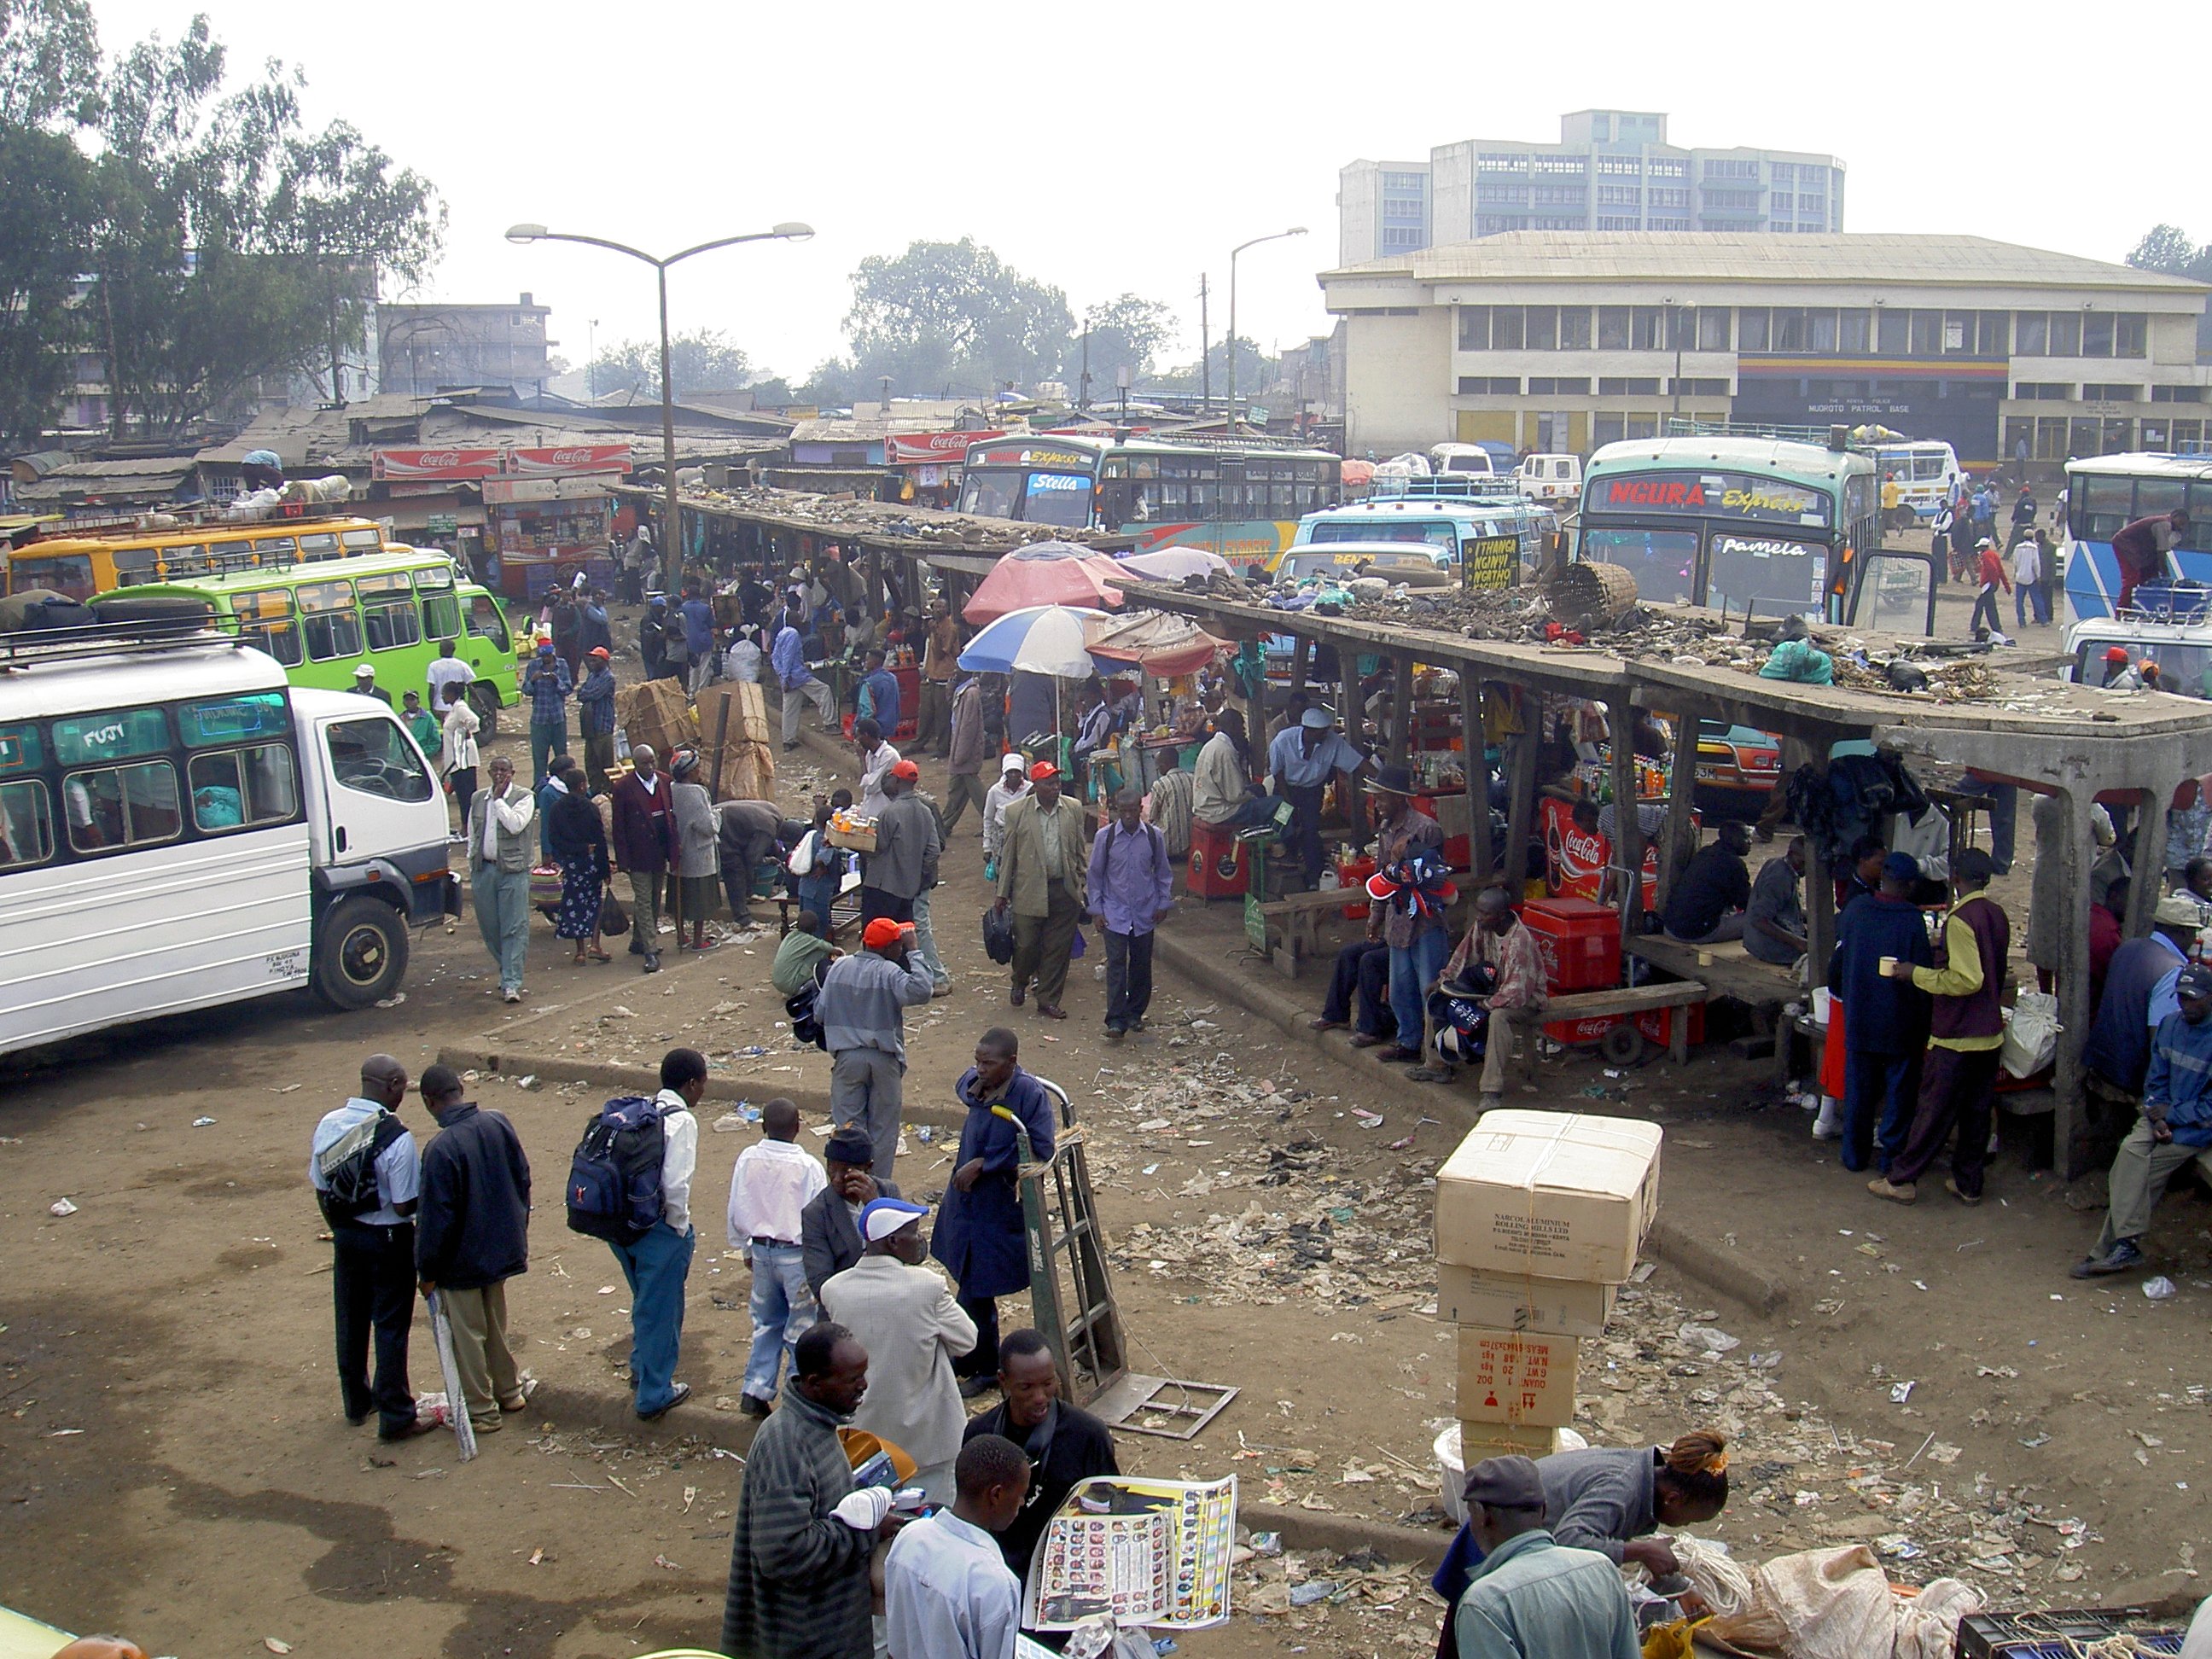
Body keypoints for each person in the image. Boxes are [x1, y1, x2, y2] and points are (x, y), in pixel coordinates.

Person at [1434, 1433, 1730, 1657]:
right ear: (1674, 1499)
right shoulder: (1621, 1489)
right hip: (1498, 1542)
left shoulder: (1642, 1480)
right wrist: (1641, 1551)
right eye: (1689, 1521)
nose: (1684, 1527)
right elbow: (1570, 1539)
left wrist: (1679, 1587)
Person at [719, 1322, 888, 1659]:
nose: (863, 1386)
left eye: (864, 1374)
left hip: (838, 1630)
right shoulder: (785, 1444)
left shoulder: (819, 1425)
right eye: (853, 1379)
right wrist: (863, 1532)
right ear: (815, 1383)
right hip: (806, 1639)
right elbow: (785, 1554)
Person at [1870, 849, 2011, 1206]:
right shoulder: (1997, 914)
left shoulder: (1961, 920)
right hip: (1989, 1032)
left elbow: (1967, 980)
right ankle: (1969, 1183)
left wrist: (1915, 973)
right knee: (1977, 1114)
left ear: (1955, 879)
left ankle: (1902, 1178)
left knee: (1934, 1110)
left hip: (1957, 1033)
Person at [819, 1197, 977, 1500]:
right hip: (928, 1441)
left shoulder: (834, 1290)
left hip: (866, 1442)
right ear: (892, 1241)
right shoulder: (926, 1286)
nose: (919, 1239)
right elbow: (967, 1340)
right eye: (914, 1232)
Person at [310, 1055, 431, 1441]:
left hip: (346, 1235)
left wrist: (340, 1227)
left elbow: (320, 1185)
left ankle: (357, 1402)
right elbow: (402, 1204)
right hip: (389, 1240)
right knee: (391, 1326)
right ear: (393, 1084)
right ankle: (396, 1413)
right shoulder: (396, 1137)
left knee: (350, 1319)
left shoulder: (329, 1124)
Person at [934, 1029, 1057, 1397]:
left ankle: (985, 1366)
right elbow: (963, 1085)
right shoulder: (977, 1084)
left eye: (988, 1063)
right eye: (977, 1061)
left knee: (976, 1287)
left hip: (998, 1207)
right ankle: (972, 1358)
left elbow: (1042, 1148)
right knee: (967, 1276)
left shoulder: (1029, 1096)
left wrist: (987, 1165)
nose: (979, 1069)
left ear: (1012, 1063)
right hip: (965, 1204)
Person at [412, 1063, 532, 1435]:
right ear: (461, 1089)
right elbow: (522, 1178)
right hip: (499, 1249)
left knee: (467, 1337)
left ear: (430, 1102)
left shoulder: (440, 1149)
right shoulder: (498, 1123)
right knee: (496, 1325)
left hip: (459, 1263)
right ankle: (509, 1392)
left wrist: (427, 1271)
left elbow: (435, 1219)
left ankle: (482, 1412)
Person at [2074, 963, 2212, 1278]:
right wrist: (2156, 1114)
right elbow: (2155, 1080)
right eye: (2182, 998)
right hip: (2160, 1117)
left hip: (2196, 1129)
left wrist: (2173, 1116)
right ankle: (2123, 1247)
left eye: (2195, 998)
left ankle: (2113, 1248)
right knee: (2130, 1154)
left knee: (2143, 1172)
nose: (2187, 1005)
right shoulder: (2170, 1026)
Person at [962, 1328, 1121, 1580]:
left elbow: (1111, 1513)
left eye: (1048, 1384)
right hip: (1000, 1573)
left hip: (1069, 1572)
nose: (1039, 1397)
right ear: (1003, 1381)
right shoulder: (980, 1435)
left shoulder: (1088, 1434)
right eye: (1026, 1387)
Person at [603, 1048, 701, 1421]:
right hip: (658, 1228)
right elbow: (676, 1185)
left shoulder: (641, 1111)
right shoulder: (682, 1122)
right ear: (692, 1084)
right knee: (662, 1309)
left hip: (620, 1224)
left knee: (645, 1300)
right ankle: (654, 1392)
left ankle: (640, 1368)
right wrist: (679, 1230)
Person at [1831, 853, 1935, 1174]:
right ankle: (1890, 1158)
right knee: (1899, 1095)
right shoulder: (1911, 920)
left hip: (1860, 1018)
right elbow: (1921, 974)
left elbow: (1837, 962)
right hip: (1899, 1023)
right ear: (1910, 885)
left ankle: (1854, 1156)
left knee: (1859, 1092)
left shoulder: (1857, 910)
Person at [883, 1434, 1029, 1659]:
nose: (1021, 1503)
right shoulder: (994, 1583)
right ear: (996, 1494)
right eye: (1020, 1495)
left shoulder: (910, 1538)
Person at [727, 1098, 827, 1417]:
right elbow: (818, 1216)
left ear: (763, 1126)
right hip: (795, 1256)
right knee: (800, 1328)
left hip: (761, 1251)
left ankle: (755, 1389)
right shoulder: (808, 1166)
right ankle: (796, 1396)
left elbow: (737, 1206)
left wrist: (744, 1247)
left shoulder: (748, 1159)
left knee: (766, 1323)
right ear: (798, 1127)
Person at [819, 917, 935, 1179]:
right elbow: (922, 990)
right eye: (898, 945)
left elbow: (820, 1012)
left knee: (848, 1129)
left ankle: (847, 1187)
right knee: (883, 1132)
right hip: (884, 1060)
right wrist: (914, 949)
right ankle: (877, 1190)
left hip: (847, 1059)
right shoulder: (889, 972)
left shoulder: (839, 968)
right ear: (889, 948)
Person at [1416, 888, 1549, 1101]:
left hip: (1526, 998)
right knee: (1437, 999)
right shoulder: (1483, 926)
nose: (1479, 917)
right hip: (1492, 990)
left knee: (1498, 1017)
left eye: (1485, 913)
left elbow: (1515, 993)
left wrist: (1484, 1006)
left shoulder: (1520, 942)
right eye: (1479, 911)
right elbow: (1463, 955)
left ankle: (1491, 1089)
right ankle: (1436, 1065)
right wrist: (1444, 981)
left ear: (1501, 915)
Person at [1362, 766, 1450, 1065]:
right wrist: (1375, 913)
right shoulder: (1386, 829)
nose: (1378, 803)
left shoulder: (1426, 828)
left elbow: (1437, 876)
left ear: (1398, 798)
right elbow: (1381, 875)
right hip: (1398, 918)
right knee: (1400, 988)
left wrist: (1404, 862)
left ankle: (1438, 1054)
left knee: (1430, 989)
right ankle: (1409, 1043)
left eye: (1382, 797)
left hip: (1426, 921)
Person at [2084, 893, 2202, 1106]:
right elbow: (2159, 1040)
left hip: (2101, 1061)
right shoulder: (2172, 972)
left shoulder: (2128, 947)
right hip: (2129, 1075)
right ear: (2185, 932)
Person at [995, 760, 1089, 1020]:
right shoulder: (1016, 812)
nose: (1055, 787)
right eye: (1049, 783)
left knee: (1058, 949)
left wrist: (1081, 878)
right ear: (1036, 785)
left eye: (1057, 782)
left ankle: (1047, 999)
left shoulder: (1073, 808)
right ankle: (1020, 980)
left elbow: (1079, 848)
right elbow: (1009, 855)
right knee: (1026, 946)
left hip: (1064, 889)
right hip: (1029, 890)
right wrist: (1002, 893)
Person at [1088, 789, 1174, 1038]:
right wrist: (1096, 910)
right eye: (1123, 811)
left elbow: (1163, 872)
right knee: (1116, 964)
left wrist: (1162, 903)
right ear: (1117, 810)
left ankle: (1135, 1013)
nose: (1127, 816)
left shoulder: (1153, 837)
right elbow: (1095, 876)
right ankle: (1115, 1020)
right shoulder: (1106, 838)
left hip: (1144, 913)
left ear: (1140, 810)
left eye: (1132, 810)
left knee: (1141, 964)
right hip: (1114, 914)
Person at [1266, 705, 1370, 888]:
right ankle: (1288, 864)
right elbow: (1277, 773)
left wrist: (1382, 778)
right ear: (1307, 730)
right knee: (1282, 825)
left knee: (1311, 830)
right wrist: (1290, 804)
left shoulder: (1332, 741)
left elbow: (1357, 762)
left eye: (1325, 732)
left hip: (1312, 792)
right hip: (1284, 789)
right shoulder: (1283, 740)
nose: (1324, 736)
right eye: (1319, 733)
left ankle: (1314, 877)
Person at [800, 1126, 903, 1301]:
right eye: (832, 1169)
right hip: (845, 1306)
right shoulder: (817, 1213)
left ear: (867, 1168)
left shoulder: (888, 1192)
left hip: (891, 1298)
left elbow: (916, 1252)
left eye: (847, 1171)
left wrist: (875, 1208)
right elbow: (820, 1283)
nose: (837, 1178)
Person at [466, 755, 534, 1004]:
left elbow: (515, 825)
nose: (499, 775)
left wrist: (499, 801)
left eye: (504, 771)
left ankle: (512, 982)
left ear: (513, 773)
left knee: (514, 927)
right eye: (495, 770)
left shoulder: (524, 797)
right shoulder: (477, 799)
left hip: (513, 871)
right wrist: (471, 863)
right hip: (484, 870)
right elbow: (472, 833)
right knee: (490, 927)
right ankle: (506, 969)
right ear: (488, 772)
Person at [611, 742, 681, 974]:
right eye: (644, 763)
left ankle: (639, 940)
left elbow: (672, 819)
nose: (650, 767)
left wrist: (674, 851)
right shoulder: (623, 788)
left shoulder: (664, 781)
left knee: (653, 898)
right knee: (643, 899)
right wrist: (623, 860)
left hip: (659, 852)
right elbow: (619, 828)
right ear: (634, 763)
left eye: (652, 762)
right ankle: (650, 949)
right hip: (637, 854)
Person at [545, 760, 611, 966]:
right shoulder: (590, 808)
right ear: (582, 785)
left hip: (571, 865)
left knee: (574, 904)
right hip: (590, 865)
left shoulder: (557, 809)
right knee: (594, 903)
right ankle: (595, 944)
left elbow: (554, 839)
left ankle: (580, 950)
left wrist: (570, 852)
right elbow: (600, 840)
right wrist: (604, 867)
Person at [862, 759, 941, 928]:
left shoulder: (889, 812)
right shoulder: (926, 812)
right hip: (909, 890)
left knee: (877, 937)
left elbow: (876, 847)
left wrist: (855, 841)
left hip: (882, 887)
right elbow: (934, 851)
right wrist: (918, 877)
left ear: (897, 781)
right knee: (903, 939)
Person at [1662, 822, 1754, 945]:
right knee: (1758, 920)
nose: (1750, 842)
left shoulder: (1704, 853)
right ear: (1733, 839)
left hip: (1670, 927)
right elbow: (1749, 904)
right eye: (1746, 837)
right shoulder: (1734, 864)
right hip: (1695, 933)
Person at [670, 751, 723, 953]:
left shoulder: (671, 788)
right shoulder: (697, 793)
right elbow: (707, 826)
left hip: (679, 852)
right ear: (690, 772)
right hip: (699, 854)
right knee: (700, 900)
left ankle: (681, 935)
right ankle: (698, 941)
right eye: (697, 768)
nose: (699, 771)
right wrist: (717, 817)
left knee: (679, 897)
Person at [1191, 707, 1274, 830]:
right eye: (1242, 726)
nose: (1243, 730)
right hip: (1221, 812)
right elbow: (1235, 796)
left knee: (1259, 788)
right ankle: (1280, 842)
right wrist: (1252, 797)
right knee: (1279, 804)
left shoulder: (1211, 745)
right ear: (1233, 726)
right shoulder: (1225, 751)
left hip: (1207, 804)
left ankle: (1260, 831)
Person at [719, 796, 790, 928]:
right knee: (735, 870)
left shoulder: (775, 812)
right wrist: (768, 860)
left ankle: (747, 893)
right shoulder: (768, 828)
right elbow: (752, 858)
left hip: (723, 814)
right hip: (722, 828)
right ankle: (742, 918)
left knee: (742, 860)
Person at [1312, 935, 1396, 1047]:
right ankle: (1336, 1015)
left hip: (1412, 943)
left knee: (1369, 961)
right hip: (1393, 939)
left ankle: (1370, 1029)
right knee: (1348, 953)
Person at [940, 673, 995, 836]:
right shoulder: (963, 691)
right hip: (961, 749)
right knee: (957, 790)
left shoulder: (971, 693)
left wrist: (960, 754)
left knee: (972, 790)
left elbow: (968, 727)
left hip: (965, 750)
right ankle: (945, 824)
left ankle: (992, 821)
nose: (955, 671)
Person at [774, 608, 838, 750]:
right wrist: (785, 678)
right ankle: (830, 723)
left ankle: (788, 740)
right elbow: (788, 657)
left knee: (790, 709)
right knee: (824, 691)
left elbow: (775, 658)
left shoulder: (781, 634)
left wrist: (781, 676)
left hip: (789, 676)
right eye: (798, 619)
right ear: (793, 621)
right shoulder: (793, 634)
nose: (801, 621)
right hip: (797, 675)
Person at [793, 791, 854, 928]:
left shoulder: (811, 834)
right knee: (819, 923)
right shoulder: (826, 839)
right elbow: (822, 857)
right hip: (818, 889)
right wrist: (822, 866)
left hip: (805, 887)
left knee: (805, 920)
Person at [1743, 836, 1807, 967]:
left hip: (1761, 941)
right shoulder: (1780, 878)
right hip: (1768, 948)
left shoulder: (1778, 863)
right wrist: (1798, 942)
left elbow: (1785, 908)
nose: (1806, 868)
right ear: (1791, 854)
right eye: (1803, 862)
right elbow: (1759, 920)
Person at [2111, 507, 2190, 612]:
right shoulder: (2164, 524)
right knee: (2132, 579)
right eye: (2181, 523)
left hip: (2142, 551)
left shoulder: (2170, 527)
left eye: (2184, 525)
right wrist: (2166, 575)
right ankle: (2122, 611)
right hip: (2124, 544)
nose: (2181, 526)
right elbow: (2161, 554)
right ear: (2174, 517)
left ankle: (2144, 609)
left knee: (2150, 579)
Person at [917, 598, 960, 759]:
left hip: (944, 675)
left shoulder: (950, 628)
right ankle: (920, 742)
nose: (939, 610)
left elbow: (942, 653)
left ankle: (943, 747)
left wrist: (934, 633)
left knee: (942, 715)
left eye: (942, 607)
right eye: (936, 607)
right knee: (927, 711)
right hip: (932, 674)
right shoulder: (934, 626)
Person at [522, 643, 571, 783]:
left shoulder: (562, 665)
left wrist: (556, 681)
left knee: (562, 758)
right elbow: (526, 690)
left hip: (558, 719)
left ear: (552, 654)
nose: (545, 659)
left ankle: (564, 786)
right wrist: (533, 680)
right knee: (539, 760)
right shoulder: (533, 666)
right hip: (539, 720)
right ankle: (540, 788)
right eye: (543, 657)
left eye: (548, 656)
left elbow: (568, 689)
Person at [439, 679, 481, 841]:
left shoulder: (460, 707)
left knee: (466, 796)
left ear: (452, 694)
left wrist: (467, 732)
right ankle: (466, 827)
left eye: (444, 694)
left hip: (464, 761)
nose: (442, 697)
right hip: (456, 761)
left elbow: (474, 721)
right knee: (462, 796)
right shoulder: (453, 710)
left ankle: (468, 829)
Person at [575, 647, 618, 795]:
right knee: (591, 762)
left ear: (604, 661)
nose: (592, 661)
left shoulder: (608, 678)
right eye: (591, 658)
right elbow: (581, 694)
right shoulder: (592, 676)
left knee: (605, 764)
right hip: (590, 727)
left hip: (603, 726)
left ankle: (606, 792)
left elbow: (592, 695)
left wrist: (584, 693)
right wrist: (585, 693)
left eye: (596, 659)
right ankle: (595, 791)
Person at [773, 909, 839, 998]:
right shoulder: (810, 940)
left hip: (777, 981)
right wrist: (840, 954)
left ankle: (790, 990)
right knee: (822, 952)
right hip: (790, 984)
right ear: (815, 928)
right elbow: (829, 948)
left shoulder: (790, 935)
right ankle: (809, 986)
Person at [981, 753, 1027, 882]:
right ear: (1005, 773)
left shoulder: (1030, 789)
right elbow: (988, 819)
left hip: (1023, 834)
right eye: (1010, 772)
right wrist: (987, 847)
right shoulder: (995, 791)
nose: (1013, 776)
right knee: (1002, 871)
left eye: (1016, 772)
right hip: (1002, 836)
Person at [854, 719, 901, 817]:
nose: (857, 741)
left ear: (866, 735)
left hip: (884, 813)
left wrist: (861, 759)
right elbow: (864, 785)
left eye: (858, 736)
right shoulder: (869, 754)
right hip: (870, 811)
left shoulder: (889, 756)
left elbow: (871, 787)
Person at [1969, 537, 2011, 636]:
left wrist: (1992, 582)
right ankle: (1975, 626)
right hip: (1991, 585)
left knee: (1989, 608)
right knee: (1981, 605)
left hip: (1988, 585)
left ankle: (1996, 628)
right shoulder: (1993, 555)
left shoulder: (1986, 556)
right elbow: (2001, 571)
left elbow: (1993, 569)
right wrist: (2006, 586)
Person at [856, 648, 901, 738]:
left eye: (867, 660)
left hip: (873, 730)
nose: (865, 662)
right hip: (890, 727)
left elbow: (867, 712)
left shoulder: (869, 683)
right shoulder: (892, 678)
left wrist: (858, 729)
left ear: (874, 661)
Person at [680, 585, 717, 695]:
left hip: (691, 640)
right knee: (705, 667)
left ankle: (692, 692)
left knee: (693, 667)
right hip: (705, 640)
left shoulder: (684, 607)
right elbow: (712, 624)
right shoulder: (705, 608)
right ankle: (702, 692)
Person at [426, 637, 473, 719]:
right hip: (458, 707)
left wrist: (431, 706)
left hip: (440, 707)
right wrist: (481, 703)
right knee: (459, 730)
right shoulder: (462, 665)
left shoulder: (433, 666)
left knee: (447, 729)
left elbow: (432, 688)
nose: (439, 651)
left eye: (440, 649)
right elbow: (470, 687)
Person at [2012, 529, 2046, 627]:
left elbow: (2015, 563)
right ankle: (2043, 620)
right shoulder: (2034, 548)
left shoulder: (2018, 548)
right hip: (2031, 577)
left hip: (2020, 577)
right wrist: (2038, 576)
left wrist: (2015, 574)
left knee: (2019, 601)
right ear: (2032, 538)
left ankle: (2021, 621)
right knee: (2036, 599)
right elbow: (2036, 564)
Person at [399, 690, 439, 756]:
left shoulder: (428, 718)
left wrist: (423, 753)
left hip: (421, 759)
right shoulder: (400, 718)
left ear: (418, 701)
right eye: (407, 699)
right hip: (403, 759)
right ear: (403, 702)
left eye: (412, 699)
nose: (409, 702)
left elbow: (436, 742)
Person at [640, 596, 670, 682]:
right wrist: (659, 634)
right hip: (650, 652)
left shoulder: (660, 617)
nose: (664, 610)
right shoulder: (648, 619)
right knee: (653, 677)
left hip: (658, 651)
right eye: (662, 607)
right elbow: (647, 637)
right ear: (657, 607)